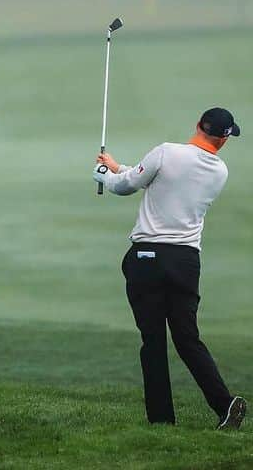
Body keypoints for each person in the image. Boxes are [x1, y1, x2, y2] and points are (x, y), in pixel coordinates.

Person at [93, 107, 245, 430]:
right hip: (186, 262)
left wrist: (104, 175)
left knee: (153, 341)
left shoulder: (166, 152)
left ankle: (162, 421)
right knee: (188, 338)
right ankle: (224, 404)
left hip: (148, 257)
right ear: (223, 139)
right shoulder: (220, 171)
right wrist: (118, 167)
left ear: (197, 126)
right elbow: (155, 180)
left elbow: (128, 186)